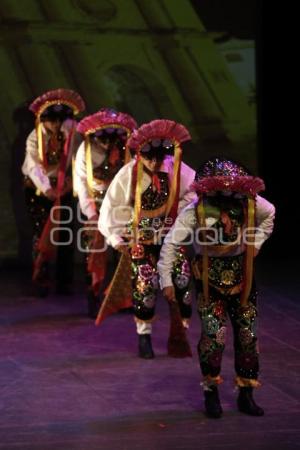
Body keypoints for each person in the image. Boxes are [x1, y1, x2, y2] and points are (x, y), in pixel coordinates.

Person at [157, 157, 275, 417]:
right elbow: (171, 243)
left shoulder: (250, 203)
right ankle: (211, 392)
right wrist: (166, 279)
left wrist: (256, 242)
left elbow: (270, 215)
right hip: (210, 284)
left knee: (248, 336)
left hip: (243, 280)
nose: (228, 195)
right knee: (214, 338)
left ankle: (246, 393)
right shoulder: (195, 210)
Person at [98, 119, 196, 358]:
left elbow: (194, 193)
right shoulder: (128, 174)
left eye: (159, 157)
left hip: (170, 239)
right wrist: (117, 238)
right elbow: (111, 209)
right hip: (141, 240)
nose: (154, 162)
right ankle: (144, 335)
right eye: (148, 157)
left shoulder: (176, 168)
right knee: (146, 284)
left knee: (182, 279)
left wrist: (179, 212)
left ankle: (180, 331)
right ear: (138, 154)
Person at [22, 88, 85, 296]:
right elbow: (33, 166)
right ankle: (41, 278)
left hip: (63, 186)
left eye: (61, 120)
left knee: (65, 233)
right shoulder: (34, 137)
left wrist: (70, 184)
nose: (57, 125)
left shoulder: (70, 133)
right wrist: (48, 188)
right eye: (52, 121)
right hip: (39, 190)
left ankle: (64, 281)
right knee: (42, 234)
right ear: (43, 120)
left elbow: (78, 161)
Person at [75, 108, 137, 317]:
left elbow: (131, 178)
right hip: (95, 201)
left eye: (111, 138)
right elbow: (82, 184)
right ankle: (94, 296)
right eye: (102, 138)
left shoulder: (125, 148)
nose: (107, 143)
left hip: (120, 203)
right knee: (94, 251)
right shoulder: (85, 149)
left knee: (126, 248)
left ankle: (124, 299)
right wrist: (91, 213)